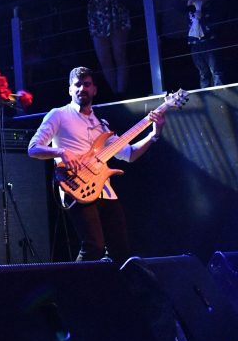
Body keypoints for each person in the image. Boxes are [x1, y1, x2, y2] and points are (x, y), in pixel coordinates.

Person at [27, 67, 164, 262]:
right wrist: (61, 152)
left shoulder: (102, 125)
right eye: (77, 85)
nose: (82, 88)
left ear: (94, 90)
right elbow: (33, 148)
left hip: (105, 190)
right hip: (76, 187)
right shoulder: (58, 115)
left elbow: (130, 154)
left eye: (87, 84)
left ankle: (108, 282)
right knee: (93, 246)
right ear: (70, 89)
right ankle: (75, 283)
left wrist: (154, 134)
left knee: (120, 249)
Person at [187, 0, 224, 88]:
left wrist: (200, 11)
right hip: (195, 44)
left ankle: (220, 90)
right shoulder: (190, 10)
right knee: (203, 72)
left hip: (209, 43)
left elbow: (213, 24)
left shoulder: (210, 9)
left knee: (215, 70)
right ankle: (205, 92)